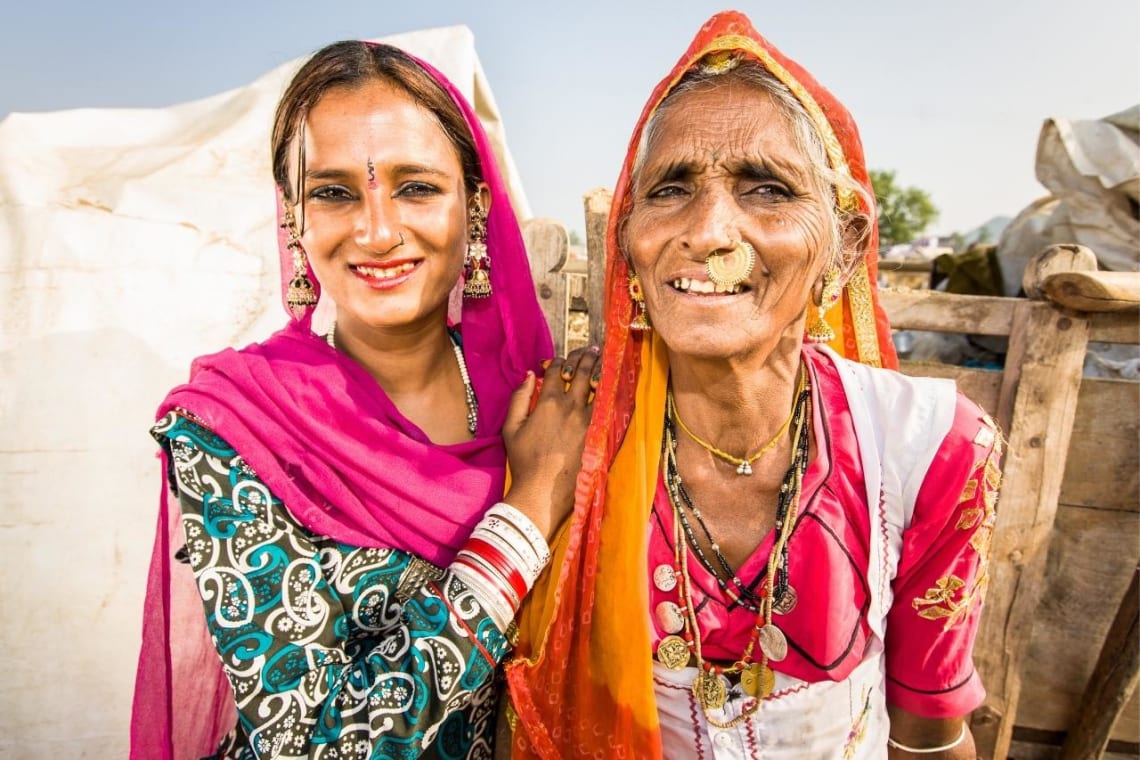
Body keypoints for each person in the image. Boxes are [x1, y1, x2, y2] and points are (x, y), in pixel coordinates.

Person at [505, 11, 1000, 759]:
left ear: (846, 246)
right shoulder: (565, 432)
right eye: (670, 189)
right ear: (628, 247)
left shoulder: (931, 448)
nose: (709, 232)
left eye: (766, 187)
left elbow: (929, 739)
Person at [130, 41, 597, 760]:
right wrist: (529, 511)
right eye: (335, 192)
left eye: (415, 187)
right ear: (295, 219)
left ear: (475, 208)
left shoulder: (542, 403)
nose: (377, 231)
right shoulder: (234, 424)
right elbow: (311, 742)